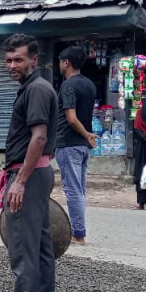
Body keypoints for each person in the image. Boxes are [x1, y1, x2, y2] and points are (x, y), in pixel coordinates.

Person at [0, 33, 58, 292]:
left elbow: (38, 138)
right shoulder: (33, 88)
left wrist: (20, 182)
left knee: (24, 248)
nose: (12, 65)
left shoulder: (37, 90)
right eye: (9, 60)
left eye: (19, 59)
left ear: (34, 59)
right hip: (35, 174)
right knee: (40, 246)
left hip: (29, 175)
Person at [55, 45, 98, 246]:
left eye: (60, 61)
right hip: (82, 146)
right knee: (79, 190)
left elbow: (71, 118)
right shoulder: (89, 84)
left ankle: (78, 234)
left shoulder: (68, 86)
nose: (59, 65)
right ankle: (78, 230)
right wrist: (87, 137)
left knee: (73, 190)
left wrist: (87, 134)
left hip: (70, 143)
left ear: (66, 62)